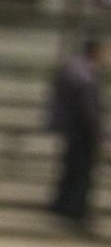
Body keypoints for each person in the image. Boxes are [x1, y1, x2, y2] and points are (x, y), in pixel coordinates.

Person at [49, 36, 106, 230]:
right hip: (81, 132)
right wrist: (97, 132)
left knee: (71, 169)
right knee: (80, 173)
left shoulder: (73, 68)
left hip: (71, 129)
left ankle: (61, 206)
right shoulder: (85, 75)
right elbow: (88, 110)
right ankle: (73, 210)